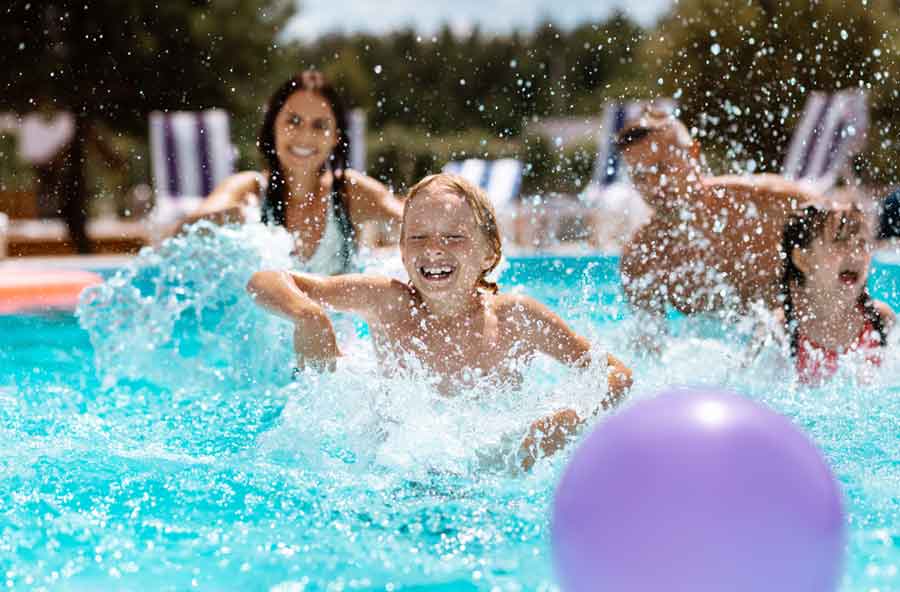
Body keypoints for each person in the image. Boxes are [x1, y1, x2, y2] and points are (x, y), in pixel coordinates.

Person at [247, 173, 633, 470]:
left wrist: (568, 423)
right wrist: (308, 314)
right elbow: (266, 280)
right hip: (399, 472)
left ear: (489, 251)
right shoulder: (388, 303)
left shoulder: (517, 318)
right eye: (417, 236)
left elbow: (616, 374)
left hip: (495, 475)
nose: (434, 249)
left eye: (454, 236)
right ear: (400, 249)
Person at [181, 70, 403, 274]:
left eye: (319, 125)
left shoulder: (348, 192)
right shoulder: (248, 190)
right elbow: (181, 234)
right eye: (293, 121)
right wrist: (226, 217)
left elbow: (412, 217)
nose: (305, 136)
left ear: (336, 136)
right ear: (273, 126)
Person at [616, 110, 821, 321]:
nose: (653, 185)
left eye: (662, 168)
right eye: (640, 176)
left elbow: (845, 226)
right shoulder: (642, 260)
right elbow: (646, 348)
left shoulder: (767, 201)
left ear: (693, 153)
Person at [777, 202, 894, 384]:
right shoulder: (781, 330)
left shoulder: (880, 321)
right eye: (841, 240)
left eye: (862, 243)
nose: (855, 253)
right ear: (803, 259)